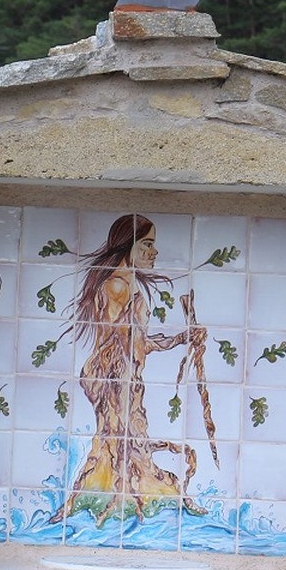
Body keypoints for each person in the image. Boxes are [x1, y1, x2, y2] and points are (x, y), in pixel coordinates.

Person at [60, 213, 208, 525]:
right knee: (125, 444)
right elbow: (119, 344)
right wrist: (120, 389)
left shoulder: (124, 285)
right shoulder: (117, 286)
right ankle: (121, 501)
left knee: (123, 446)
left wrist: (181, 339)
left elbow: (136, 342)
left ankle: (116, 498)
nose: (154, 252)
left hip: (118, 376)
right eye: (148, 244)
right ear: (129, 245)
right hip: (113, 378)